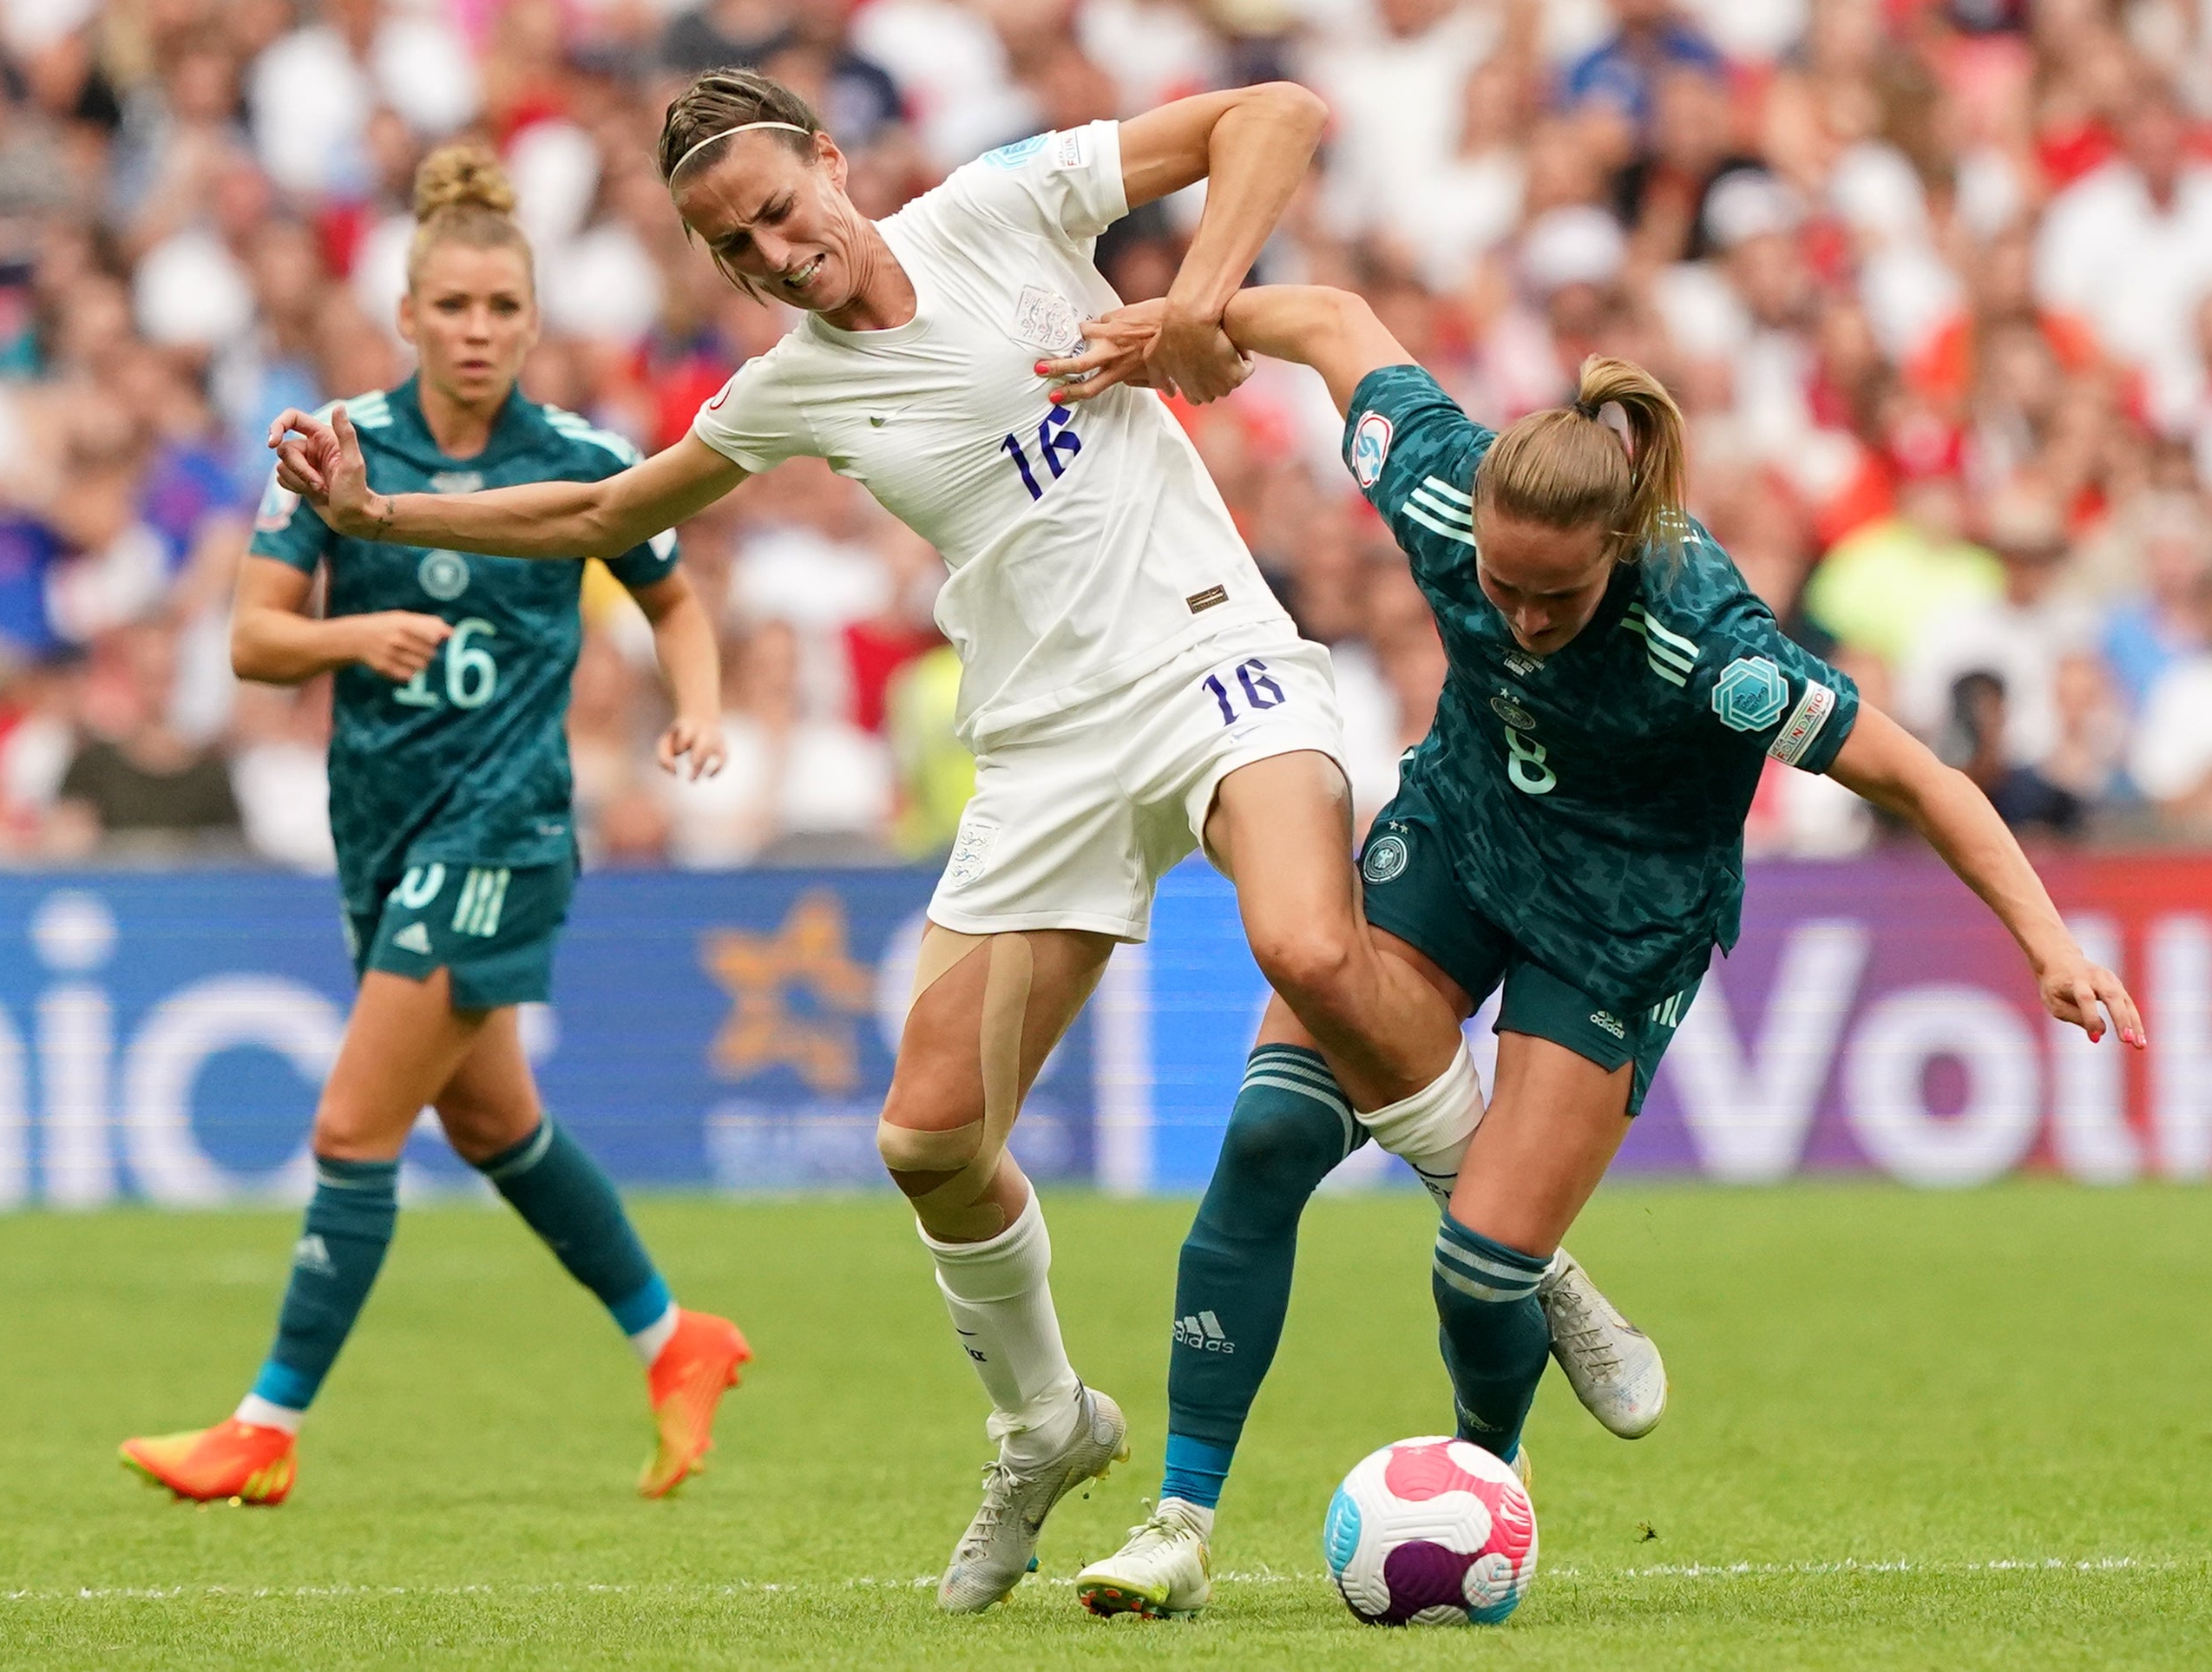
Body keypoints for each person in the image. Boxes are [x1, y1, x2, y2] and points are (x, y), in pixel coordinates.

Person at [265, 70, 1656, 1613]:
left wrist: (1190, 305)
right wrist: (384, 524)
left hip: (1211, 660)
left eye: (781, 211)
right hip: (1045, 747)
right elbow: (606, 514)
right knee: (928, 1140)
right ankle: (1048, 1424)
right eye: (734, 247)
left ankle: (1527, 1260)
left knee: (1306, 943)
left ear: (833, 165)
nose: (775, 254)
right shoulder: (788, 389)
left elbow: (1279, 111)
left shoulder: (1004, 201)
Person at [1055, 286, 2143, 1619]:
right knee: (1272, 1137)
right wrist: (1184, 314)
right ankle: (1181, 1518)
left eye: (1555, 596)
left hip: (1622, 923)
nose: (1517, 615)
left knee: (1478, 1271)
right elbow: (1336, 322)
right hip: (1459, 841)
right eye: (1499, 586)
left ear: (1618, 548)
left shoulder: (1711, 644)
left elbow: (1919, 780)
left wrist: (2049, 943)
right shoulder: (1445, 488)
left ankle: (1481, 1500)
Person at [119, 145, 750, 1508]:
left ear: (533, 321)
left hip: (504, 831)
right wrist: (357, 630)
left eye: (501, 310)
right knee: (491, 1122)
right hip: (384, 831)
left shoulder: (577, 461)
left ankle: (263, 1427)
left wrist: (695, 706)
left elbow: (675, 598)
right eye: (452, 307)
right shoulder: (341, 447)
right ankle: (674, 1339)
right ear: (406, 313)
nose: (476, 332)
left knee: (353, 1127)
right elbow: (250, 643)